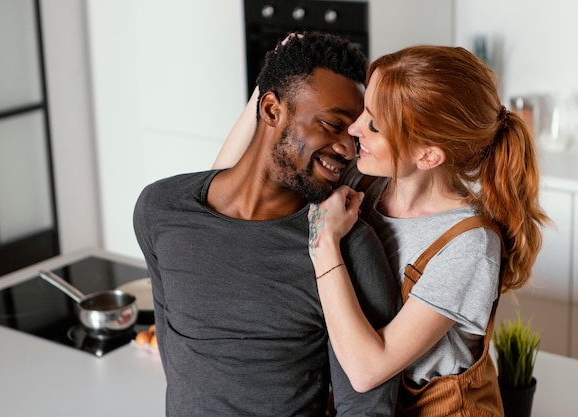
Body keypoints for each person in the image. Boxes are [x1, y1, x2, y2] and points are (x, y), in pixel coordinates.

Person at [133, 32, 399, 417]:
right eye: (331, 124)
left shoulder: (345, 245)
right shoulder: (161, 209)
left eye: (353, 132)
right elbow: (178, 362)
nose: (346, 148)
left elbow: (366, 408)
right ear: (271, 110)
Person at [307, 45, 550, 416]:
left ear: (428, 155)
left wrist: (324, 247)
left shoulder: (469, 246)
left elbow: (366, 370)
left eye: (373, 124)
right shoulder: (364, 184)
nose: (354, 129)